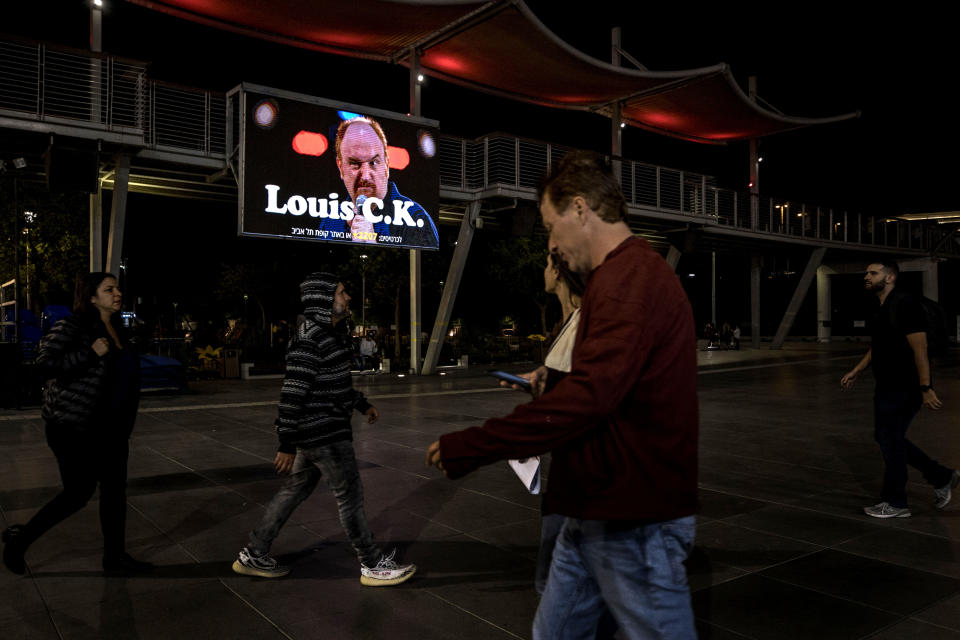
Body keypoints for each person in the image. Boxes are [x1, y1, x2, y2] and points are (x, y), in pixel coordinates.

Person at [426, 151, 699, 638]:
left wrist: (475, 445)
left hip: (632, 517)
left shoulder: (627, 280)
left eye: (551, 227)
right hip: (595, 507)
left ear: (579, 209)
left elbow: (591, 398)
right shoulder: (621, 278)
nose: (551, 243)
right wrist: (558, 386)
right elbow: (610, 385)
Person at [231, 272, 415, 586]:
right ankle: (372, 563)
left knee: (293, 490)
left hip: (318, 431)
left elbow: (334, 384)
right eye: (342, 293)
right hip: (324, 433)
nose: (348, 298)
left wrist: (361, 404)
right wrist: (286, 442)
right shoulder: (310, 338)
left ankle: (254, 552)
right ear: (324, 300)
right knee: (350, 497)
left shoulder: (330, 334)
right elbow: (292, 393)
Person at [2, 272, 153, 575]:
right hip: (74, 427)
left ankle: (115, 558)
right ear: (92, 297)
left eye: (117, 288)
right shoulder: (71, 326)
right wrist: (88, 353)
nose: (117, 293)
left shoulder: (120, 330)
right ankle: (20, 542)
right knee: (76, 494)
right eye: (109, 289)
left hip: (113, 428)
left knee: (114, 493)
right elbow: (43, 366)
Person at [841, 260, 957, 518]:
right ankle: (942, 476)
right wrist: (857, 370)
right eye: (866, 272)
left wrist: (926, 387)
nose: (866, 277)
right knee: (887, 438)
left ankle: (896, 502)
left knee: (889, 440)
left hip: (905, 387)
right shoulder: (882, 307)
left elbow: (920, 349)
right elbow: (879, 346)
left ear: (890, 277)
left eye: (873, 273)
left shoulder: (905, 304)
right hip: (887, 385)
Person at [530, 251, 584, 595]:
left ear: (560, 274)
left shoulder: (585, 321)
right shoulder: (564, 321)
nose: (544, 273)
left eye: (547, 267)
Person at [319, 117, 438, 249]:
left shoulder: (415, 218)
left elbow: (424, 267)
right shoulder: (331, 220)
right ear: (340, 167)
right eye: (355, 164)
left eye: (373, 162)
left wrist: (372, 245)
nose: (365, 175)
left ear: (386, 165)